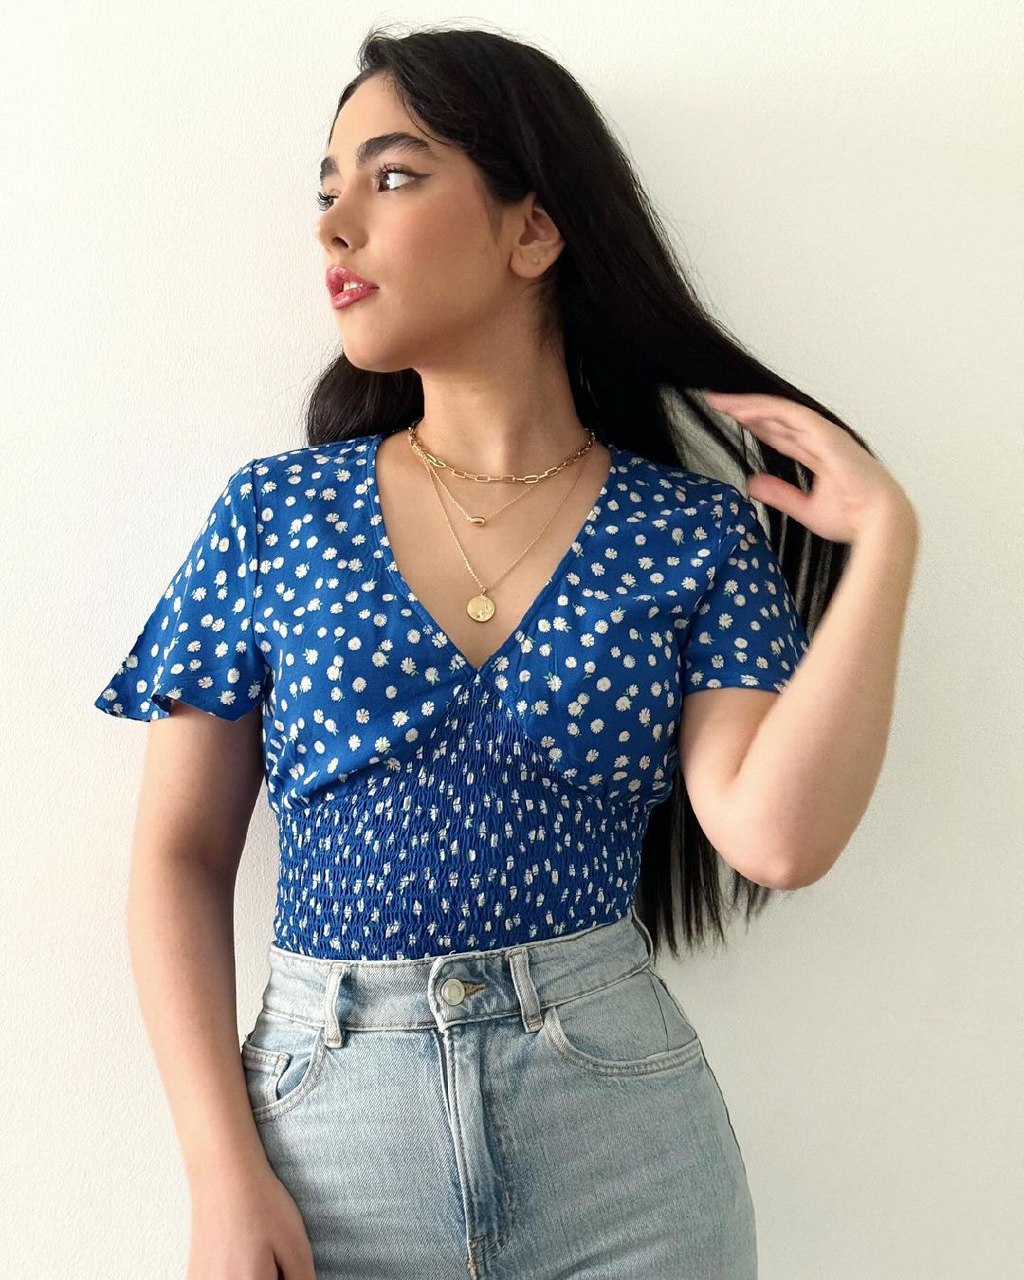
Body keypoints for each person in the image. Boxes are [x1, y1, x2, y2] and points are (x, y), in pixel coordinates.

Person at [93, 25, 919, 1280]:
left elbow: (775, 837)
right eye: (326, 189)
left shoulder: (689, 531)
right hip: (328, 1145)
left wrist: (885, 545)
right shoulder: (275, 514)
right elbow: (178, 855)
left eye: (391, 176)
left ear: (533, 232)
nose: (332, 227)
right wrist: (220, 1172)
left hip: (622, 1147)